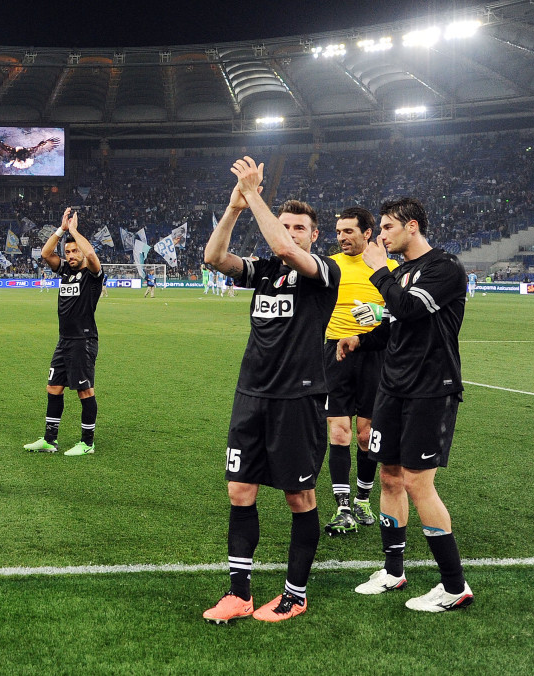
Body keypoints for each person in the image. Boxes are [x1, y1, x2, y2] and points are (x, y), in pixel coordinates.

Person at [202, 157, 340, 624]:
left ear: (313, 235)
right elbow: (214, 258)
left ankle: (295, 594)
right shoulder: (263, 272)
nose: (291, 232)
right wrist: (236, 205)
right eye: (286, 225)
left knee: (299, 498)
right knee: (240, 490)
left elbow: (284, 250)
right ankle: (239, 593)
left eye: (300, 227)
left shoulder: (323, 272)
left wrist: (256, 192)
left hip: (297, 400)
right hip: (251, 395)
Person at [338, 196, 474, 613]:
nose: (379, 236)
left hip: (430, 388)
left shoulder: (444, 268)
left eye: (386, 228)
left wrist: (379, 270)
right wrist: (361, 339)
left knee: (418, 483)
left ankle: (454, 587)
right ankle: (393, 570)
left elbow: (409, 308)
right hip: (393, 388)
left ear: (411, 226)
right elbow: (394, 326)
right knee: (391, 478)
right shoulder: (404, 272)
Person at [322, 207, 397, 536]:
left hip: (373, 353)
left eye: (348, 231)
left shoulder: (388, 267)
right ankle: (342, 507)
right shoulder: (330, 266)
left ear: (368, 233)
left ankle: (363, 499)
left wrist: (379, 311)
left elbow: (402, 310)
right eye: (338, 232)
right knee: (339, 432)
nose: (341, 238)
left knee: (366, 435)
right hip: (335, 351)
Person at [24, 207, 103, 457]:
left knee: (84, 390)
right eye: (67, 252)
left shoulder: (92, 275)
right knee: (53, 388)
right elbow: (46, 253)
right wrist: (61, 230)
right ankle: (50, 440)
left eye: (73, 251)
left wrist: (75, 231)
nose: (70, 255)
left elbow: (90, 252)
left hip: (84, 340)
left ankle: (87, 443)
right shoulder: (66, 271)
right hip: (64, 341)